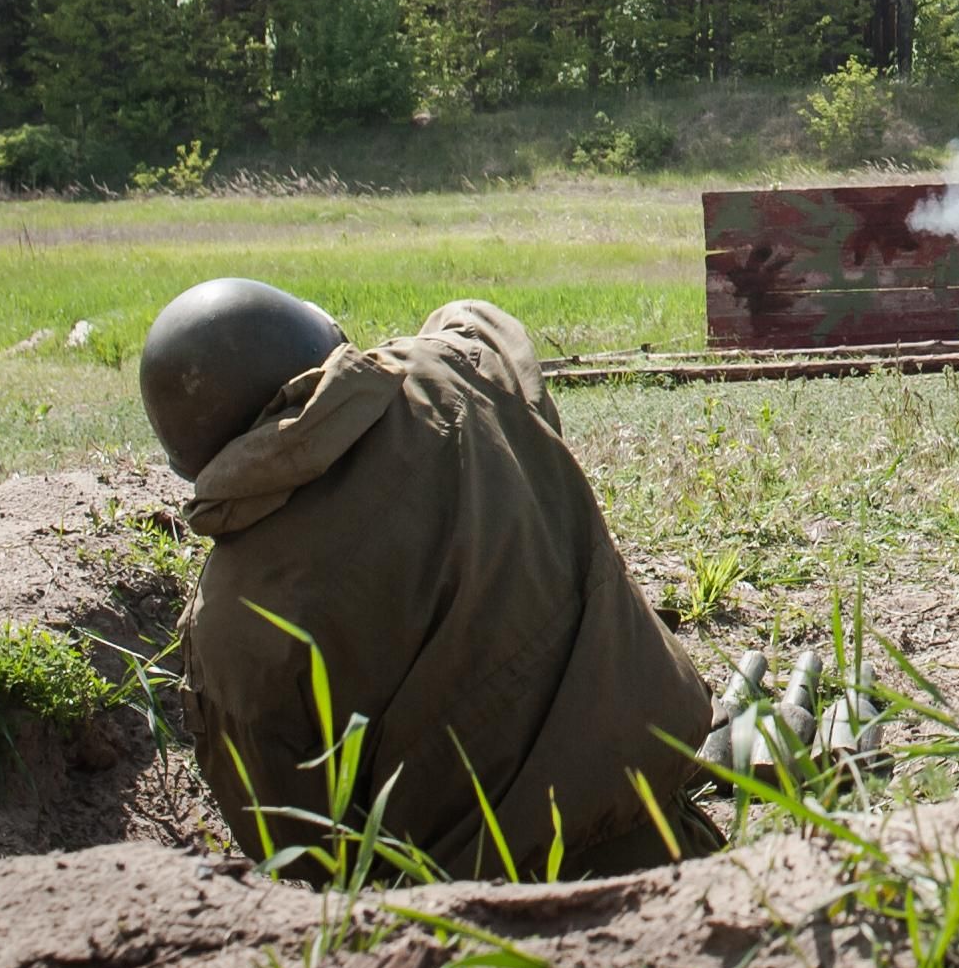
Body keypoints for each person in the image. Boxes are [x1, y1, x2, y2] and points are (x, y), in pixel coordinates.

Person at [139, 278, 720, 879]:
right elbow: (480, 322)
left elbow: (299, 857)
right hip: (670, 854)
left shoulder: (226, 625)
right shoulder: (445, 377)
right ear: (324, 348)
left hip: (466, 930)